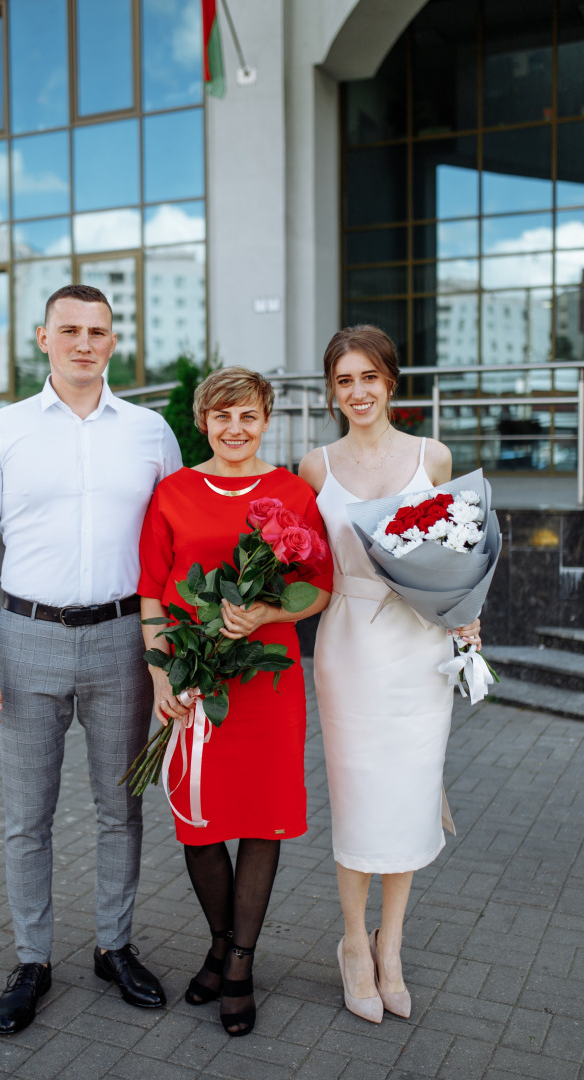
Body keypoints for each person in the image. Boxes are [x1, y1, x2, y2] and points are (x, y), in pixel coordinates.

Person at [0, 284, 182, 1035]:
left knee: (122, 809)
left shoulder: (150, 433)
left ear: (114, 341)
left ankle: (113, 946)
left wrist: (180, 645)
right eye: (70, 330)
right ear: (42, 338)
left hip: (123, 641)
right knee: (28, 818)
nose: (86, 342)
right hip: (25, 640)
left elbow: (175, 546)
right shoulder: (2, 430)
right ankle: (32, 958)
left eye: (100, 331)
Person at [137, 367, 332, 1037]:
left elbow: (319, 586)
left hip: (266, 683)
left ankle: (239, 963)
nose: (234, 428)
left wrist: (265, 614)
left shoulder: (290, 492)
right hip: (193, 682)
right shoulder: (172, 493)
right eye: (221, 416)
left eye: (247, 415)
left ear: (266, 419)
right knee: (197, 822)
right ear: (202, 421)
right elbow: (153, 592)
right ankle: (219, 940)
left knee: (260, 818)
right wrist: (163, 676)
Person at [299, 325, 481, 1024]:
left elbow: (459, 555)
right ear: (331, 391)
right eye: (343, 380)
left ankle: (391, 945)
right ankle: (351, 943)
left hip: (418, 648)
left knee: (407, 795)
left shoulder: (431, 457)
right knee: (356, 797)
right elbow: (306, 567)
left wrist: (465, 614)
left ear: (390, 381)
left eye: (367, 377)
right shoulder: (313, 467)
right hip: (346, 646)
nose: (357, 392)